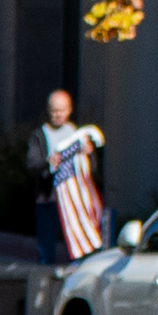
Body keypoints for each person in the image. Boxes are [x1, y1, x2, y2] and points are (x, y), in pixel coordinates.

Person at [32, 89, 105, 264]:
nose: (58, 115)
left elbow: (91, 168)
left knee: (77, 240)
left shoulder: (76, 134)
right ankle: (45, 280)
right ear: (48, 111)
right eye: (54, 111)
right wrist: (48, 163)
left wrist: (89, 154)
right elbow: (32, 164)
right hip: (48, 199)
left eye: (62, 110)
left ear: (69, 110)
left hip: (74, 200)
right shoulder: (39, 135)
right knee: (46, 247)